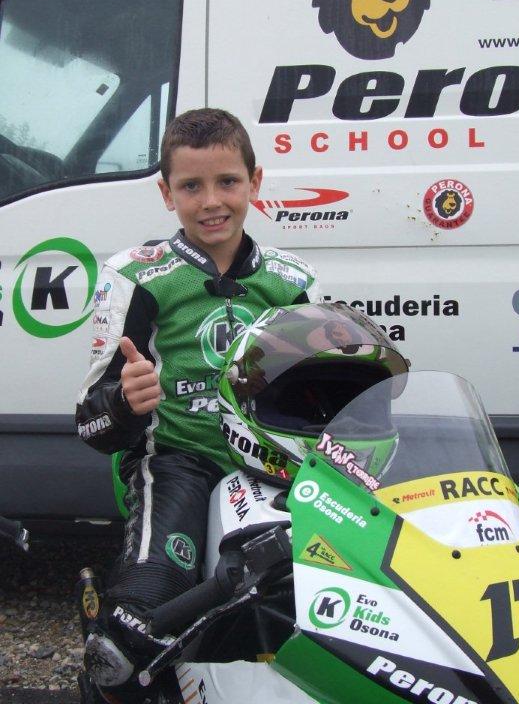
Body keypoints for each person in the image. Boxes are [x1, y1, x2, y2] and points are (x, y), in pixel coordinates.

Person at [75, 108, 321, 697]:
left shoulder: (294, 281)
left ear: (254, 183)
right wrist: (125, 403)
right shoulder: (135, 275)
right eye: (191, 186)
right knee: (135, 627)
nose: (212, 202)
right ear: (167, 193)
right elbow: (89, 421)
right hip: (176, 462)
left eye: (227, 181)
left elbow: (319, 397)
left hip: (270, 466)